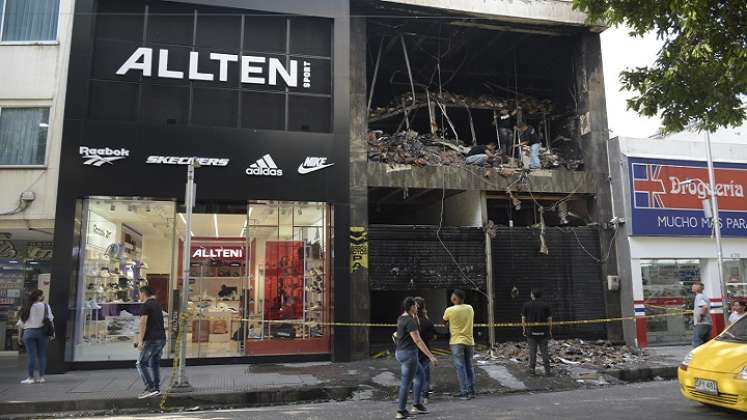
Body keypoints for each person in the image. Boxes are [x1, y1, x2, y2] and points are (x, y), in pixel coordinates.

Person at [395, 297, 438, 419]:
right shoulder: (410, 321)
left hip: (401, 353)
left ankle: (417, 404)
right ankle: (401, 411)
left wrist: (415, 317)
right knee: (406, 383)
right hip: (409, 355)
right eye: (415, 305)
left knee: (420, 376)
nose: (417, 308)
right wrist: (431, 356)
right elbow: (418, 341)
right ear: (412, 307)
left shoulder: (402, 318)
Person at [442, 289, 475, 400]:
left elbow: (444, 323)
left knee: (460, 367)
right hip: (469, 341)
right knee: (469, 366)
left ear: (455, 298)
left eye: (452, 296)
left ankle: (464, 392)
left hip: (456, 342)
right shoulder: (470, 308)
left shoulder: (449, 310)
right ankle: (471, 391)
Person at [17, 289, 54, 384]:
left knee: (31, 355)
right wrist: (53, 333)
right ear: (39, 297)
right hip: (43, 333)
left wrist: (19, 336)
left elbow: (20, 324)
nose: (43, 296)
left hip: (29, 332)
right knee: (42, 355)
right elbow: (50, 320)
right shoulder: (46, 306)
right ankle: (41, 377)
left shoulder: (26, 306)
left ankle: (30, 378)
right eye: (42, 295)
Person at [136, 286, 166, 399]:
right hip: (161, 338)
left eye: (140, 294)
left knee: (141, 363)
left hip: (151, 339)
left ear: (143, 294)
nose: (139, 296)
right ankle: (156, 389)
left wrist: (140, 341)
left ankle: (151, 388)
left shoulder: (146, 305)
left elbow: (142, 323)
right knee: (154, 363)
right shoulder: (157, 305)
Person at [521, 288, 552, 376]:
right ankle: (547, 371)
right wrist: (549, 330)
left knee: (532, 352)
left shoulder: (526, 305)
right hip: (544, 332)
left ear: (532, 295)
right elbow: (550, 320)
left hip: (531, 332)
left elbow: (523, 319)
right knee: (545, 352)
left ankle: (532, 371)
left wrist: (524, 329)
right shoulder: (546, 305)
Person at [414, 296, 436, 403]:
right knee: (425, 375)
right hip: (425, 351)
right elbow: (433, 336)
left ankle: (415, 397)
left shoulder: (410, 321)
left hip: (413, 351)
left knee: (413, 374)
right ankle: (425, 396)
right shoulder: (427, 322)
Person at [691, 282, 711, 347]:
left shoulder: (699, 296)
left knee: (697, 343)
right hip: (707, 323)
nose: (692, 287)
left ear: (697, 288)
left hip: (701, 324)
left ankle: (698, 356)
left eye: (693, 286)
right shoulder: (704, 296)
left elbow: (704, 307)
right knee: (705, 343)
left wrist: (700, 318)